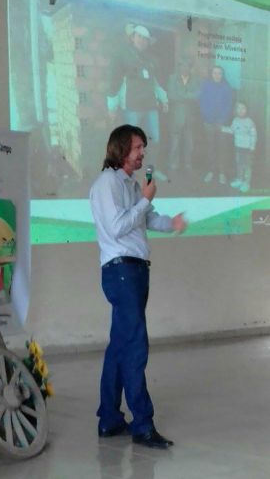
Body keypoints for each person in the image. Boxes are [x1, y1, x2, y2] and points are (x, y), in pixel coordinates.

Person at [89, 124, 187, 449]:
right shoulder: (107, 184)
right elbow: (118, 227)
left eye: (142, 147)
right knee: (134, 348)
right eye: (136, 148)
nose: (142, 153)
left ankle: (110, 419)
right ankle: (143, 426)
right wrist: (144, 200)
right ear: (120, 149)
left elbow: (143, 219)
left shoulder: (128, 184)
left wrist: (170, 223)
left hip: (132, 272)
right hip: (122, 273)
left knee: (120, 347)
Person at [107, 25, 169, 181]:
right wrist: (112, 106)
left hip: (150, 107)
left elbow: (156, 82)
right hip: (132, 107)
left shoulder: (152, 59)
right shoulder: (122, 56)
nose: (142, 41)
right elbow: (115, 81)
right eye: (139, 37)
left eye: (145, 39)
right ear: (133, 37)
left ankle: (151, 171)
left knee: (154, 140)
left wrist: (164, 100)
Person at [199, 65, 234, 185]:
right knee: (211, 147)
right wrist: (207, 116)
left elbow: (229, 105)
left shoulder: (227, 87)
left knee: (222, 148)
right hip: (208, 122)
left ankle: (222, 173)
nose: (217, 75)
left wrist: (223, 119)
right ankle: (211, 171)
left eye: (219, 73)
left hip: (222, 122)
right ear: (211, 74)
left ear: (222, 75)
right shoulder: (206, 85)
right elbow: (202, 102)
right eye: (215, 73)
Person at [167, 59, 200, 171]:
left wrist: (181, 95)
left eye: (186, 66)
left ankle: (188, 164)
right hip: (176, 117)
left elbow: (197, 96)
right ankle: (174, 164)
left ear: (190, 68)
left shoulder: (195, 80)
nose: (184, 68)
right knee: (175, 143)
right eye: (182, 66)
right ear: (179, 67)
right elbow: (171, 95)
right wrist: (187, 95)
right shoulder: (172, 78)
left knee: (189, 143)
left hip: (190, 118)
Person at [222, 101, 257, 193]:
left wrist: (252, 147)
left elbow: (253, 135)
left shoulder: (249, 122)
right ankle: (239, 179)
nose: (241, 110)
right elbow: (232, 130)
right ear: (236, 110)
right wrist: (222, 129)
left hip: (248, 148)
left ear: (246, 110)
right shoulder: (235, 121)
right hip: (238, 147)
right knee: (239, 164)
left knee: (247, 165)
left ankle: (246, 182)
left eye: (243, 108)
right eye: (238, 108)